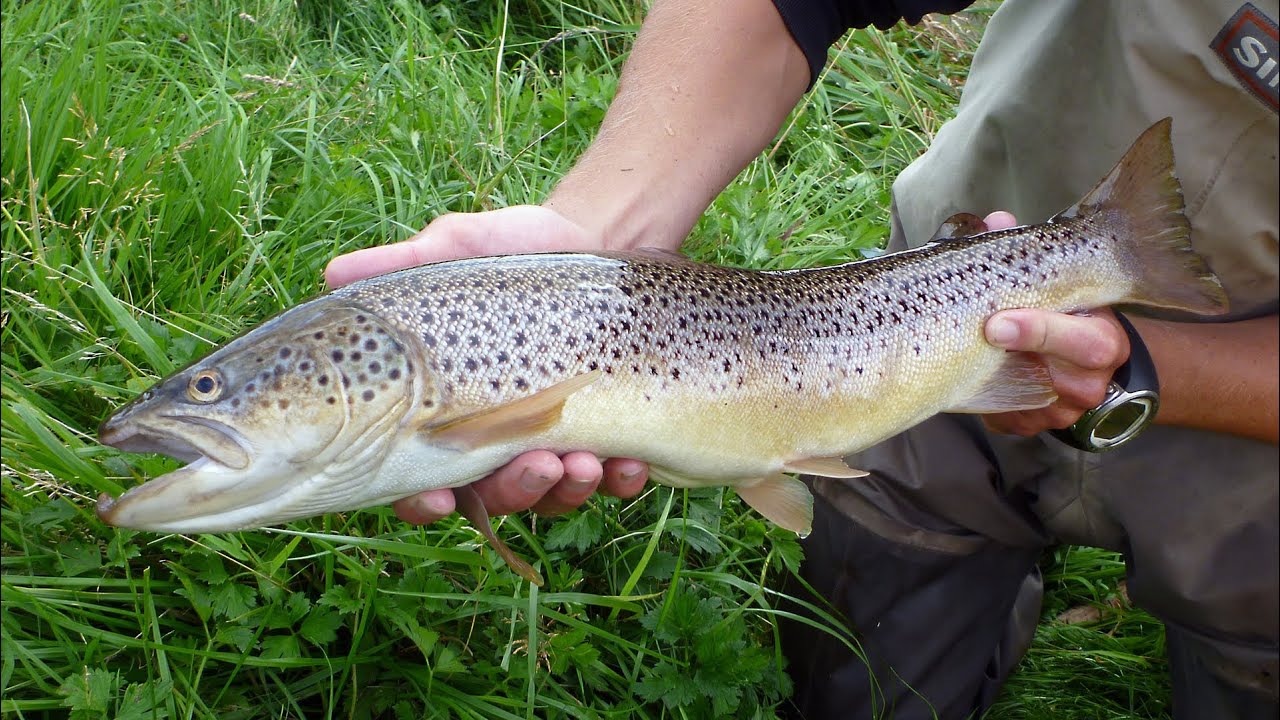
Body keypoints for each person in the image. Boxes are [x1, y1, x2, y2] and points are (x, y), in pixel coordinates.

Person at [326, 1, 1279, 717]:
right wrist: (597, 233)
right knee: (855, 676)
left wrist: (1152, 365)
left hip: (1256, 456)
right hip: (922, 341)